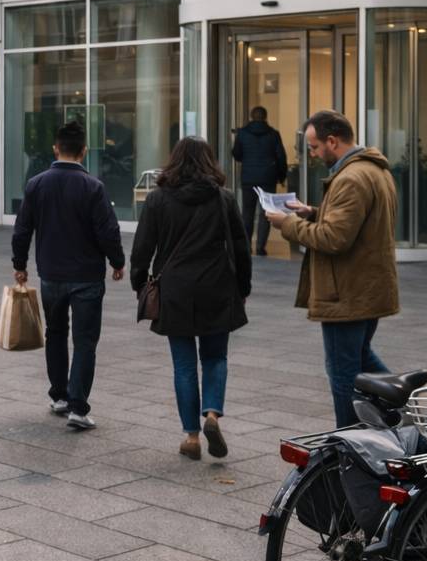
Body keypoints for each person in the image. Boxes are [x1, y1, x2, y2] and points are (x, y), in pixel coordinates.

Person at [267, 109, 399, 427]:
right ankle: (403, 402)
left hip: (347, 293)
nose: (312, 154)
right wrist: (312, 211)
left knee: (343, 373)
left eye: (314, 147)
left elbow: (334, 238)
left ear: (332, 140)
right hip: (365, 288)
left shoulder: (351, 178)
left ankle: (351, 441)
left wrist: (289, 224)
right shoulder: (373, 170)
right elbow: (355, 223)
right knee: (362, 358)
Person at [130, 137, 252, 460]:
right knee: (215, 358)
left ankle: (191, 437)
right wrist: (243, 287)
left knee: (183, 365)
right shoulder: (224, 199)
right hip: (217, 286)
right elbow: (240, 248)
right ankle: (212, 413)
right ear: (209, 161)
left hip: (175, 291)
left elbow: (142, 248)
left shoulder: (157, 200)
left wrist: (139, 283)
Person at [11, 120, 125, 431]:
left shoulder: (36, 184)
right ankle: (78, 407)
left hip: (51, 274)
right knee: (85, 341)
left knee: (56, 333)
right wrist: (117, 261)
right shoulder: (93, 187)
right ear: (84, 151)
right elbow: (108, 231)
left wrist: (19, 265)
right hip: (87, 276)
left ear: (55, 148)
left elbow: (22, 230)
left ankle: (59, 395)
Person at [231, 106, 288, 256]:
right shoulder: (274, 134)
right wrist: (282, 177)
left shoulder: (242, 134)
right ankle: (261, 247)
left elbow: (236, 154)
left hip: (248, 177)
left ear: (251, 116)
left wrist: (247, 158)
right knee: (265, 213)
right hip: (267, 178)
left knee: (247, 213)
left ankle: (247, 246)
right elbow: (281, 157)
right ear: (265, 117)